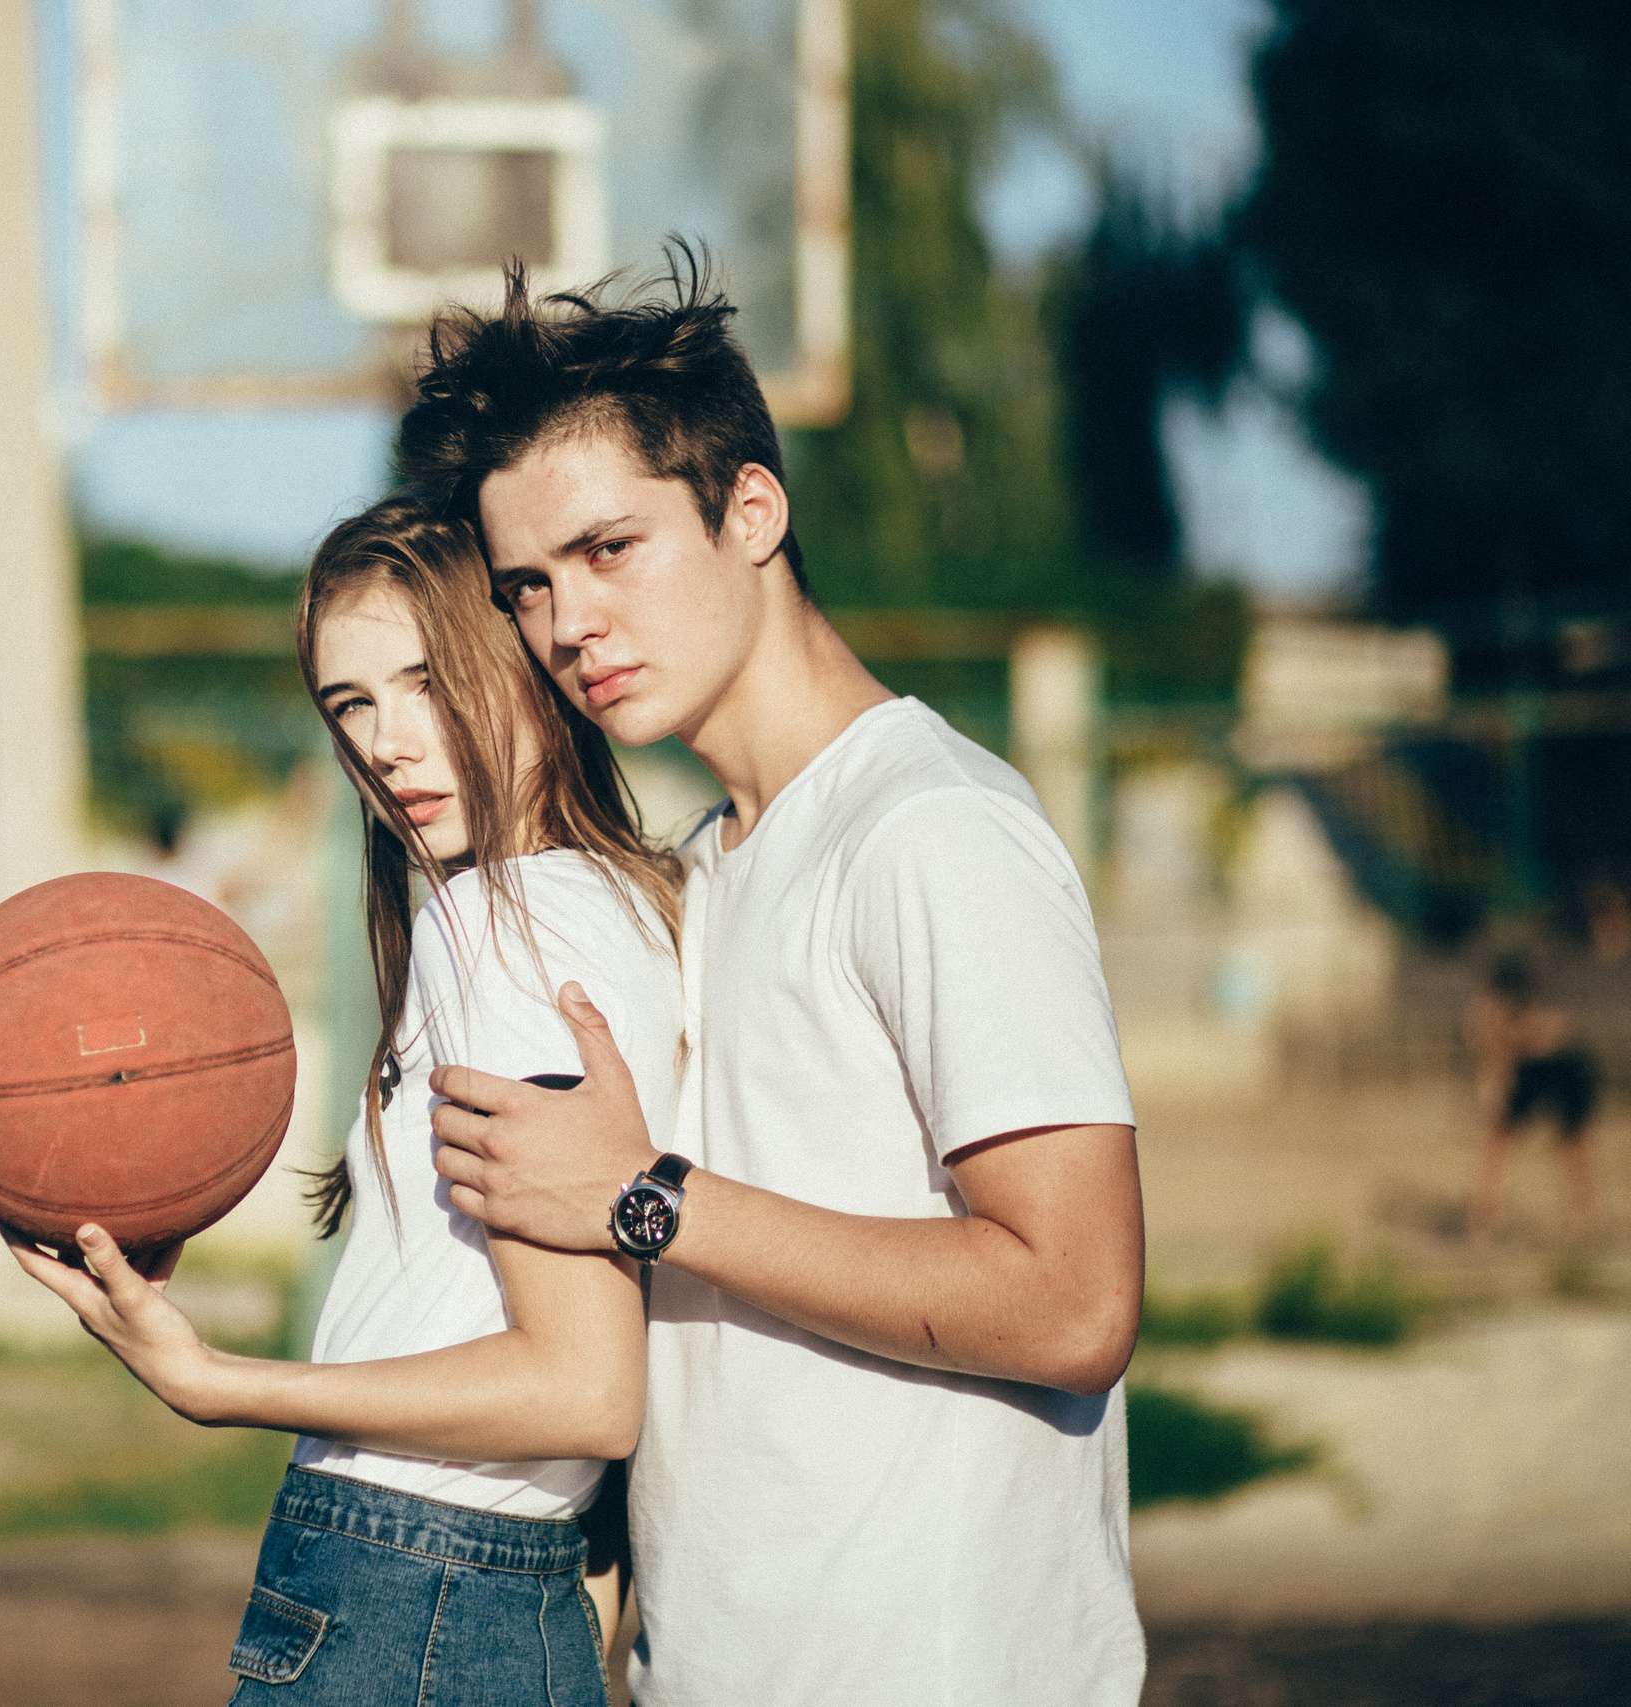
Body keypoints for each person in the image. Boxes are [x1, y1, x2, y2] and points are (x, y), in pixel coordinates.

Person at [398, 252, 1148, 1705]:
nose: (569, 625)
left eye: (611, 549)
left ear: (753, 509)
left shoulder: (931, 825)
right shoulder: (706, 866)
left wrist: (644, 1195)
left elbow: (1074, 1300)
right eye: (531, 585)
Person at [8, 495, 685, 1705]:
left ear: (532, 666)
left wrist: (224, 1383)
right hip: (472, 1595)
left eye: (428, 681)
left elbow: (586, 1385)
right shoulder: (613, 907)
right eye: (351, 705)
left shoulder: (504, 928)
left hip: (406, 1588)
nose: (387, 742)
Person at [1465, 951, 1602, 1244]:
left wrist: (1504, 1048)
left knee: (1572, 1142)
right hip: (1527, 1066)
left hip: (1561, 1067)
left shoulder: (1534, 1012)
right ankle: (1484, 1218)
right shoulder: (1489, 1013)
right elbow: (1491, 1057)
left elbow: (1542, 1037)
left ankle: (1584, 1216)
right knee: (1497, 1139)